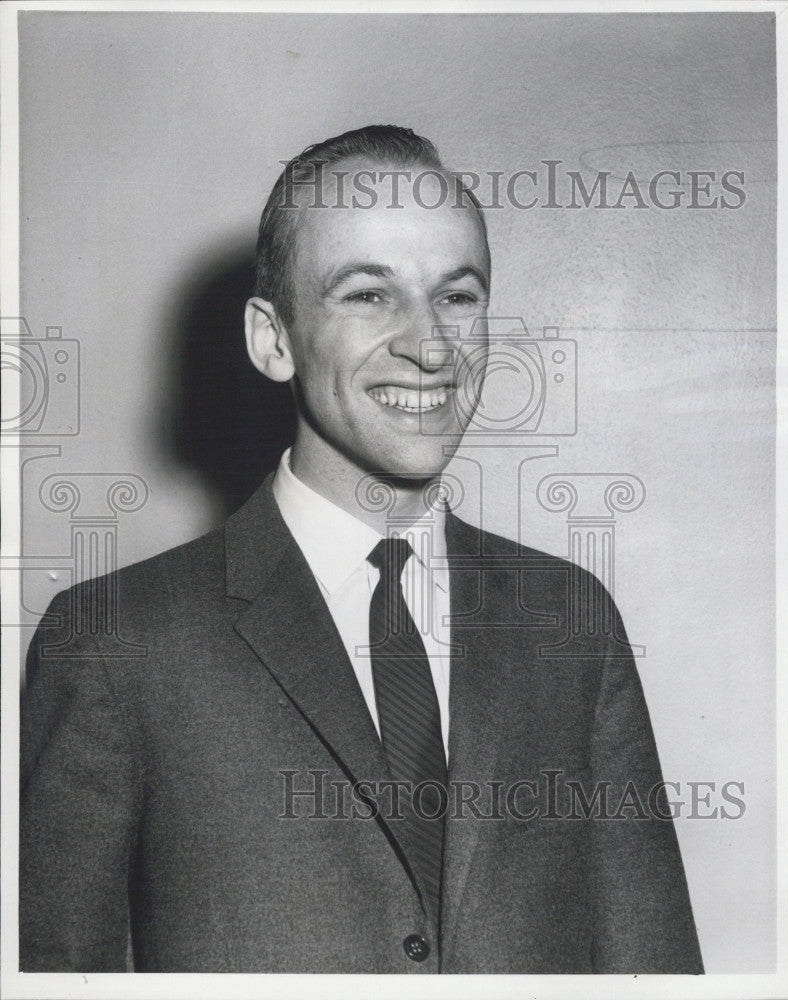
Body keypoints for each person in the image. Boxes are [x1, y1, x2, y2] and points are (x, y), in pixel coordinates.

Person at [20, 125, 704, 974]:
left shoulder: (571, 623)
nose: (428, 346)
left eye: (457, 296)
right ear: (272, 339)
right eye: (368, 295)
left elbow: (657, 967)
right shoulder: (113, 645)